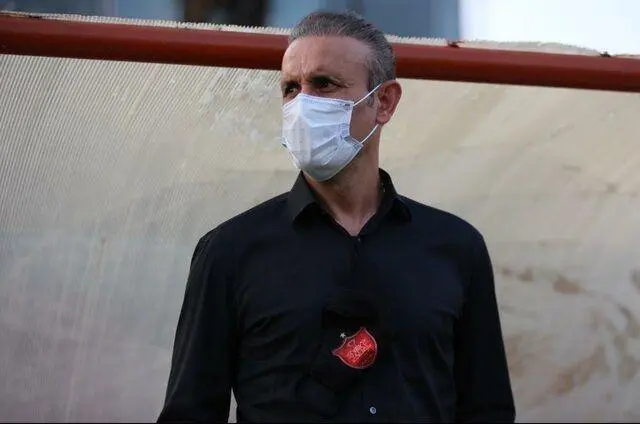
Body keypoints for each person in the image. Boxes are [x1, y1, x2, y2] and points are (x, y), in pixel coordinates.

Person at [157, 10, 515, 423]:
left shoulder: (456, 248)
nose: (302, 104)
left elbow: (487, 410)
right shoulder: (230, 251)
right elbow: (191, 412)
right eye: (291, 88)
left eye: (324, 84)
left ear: (384, 102)